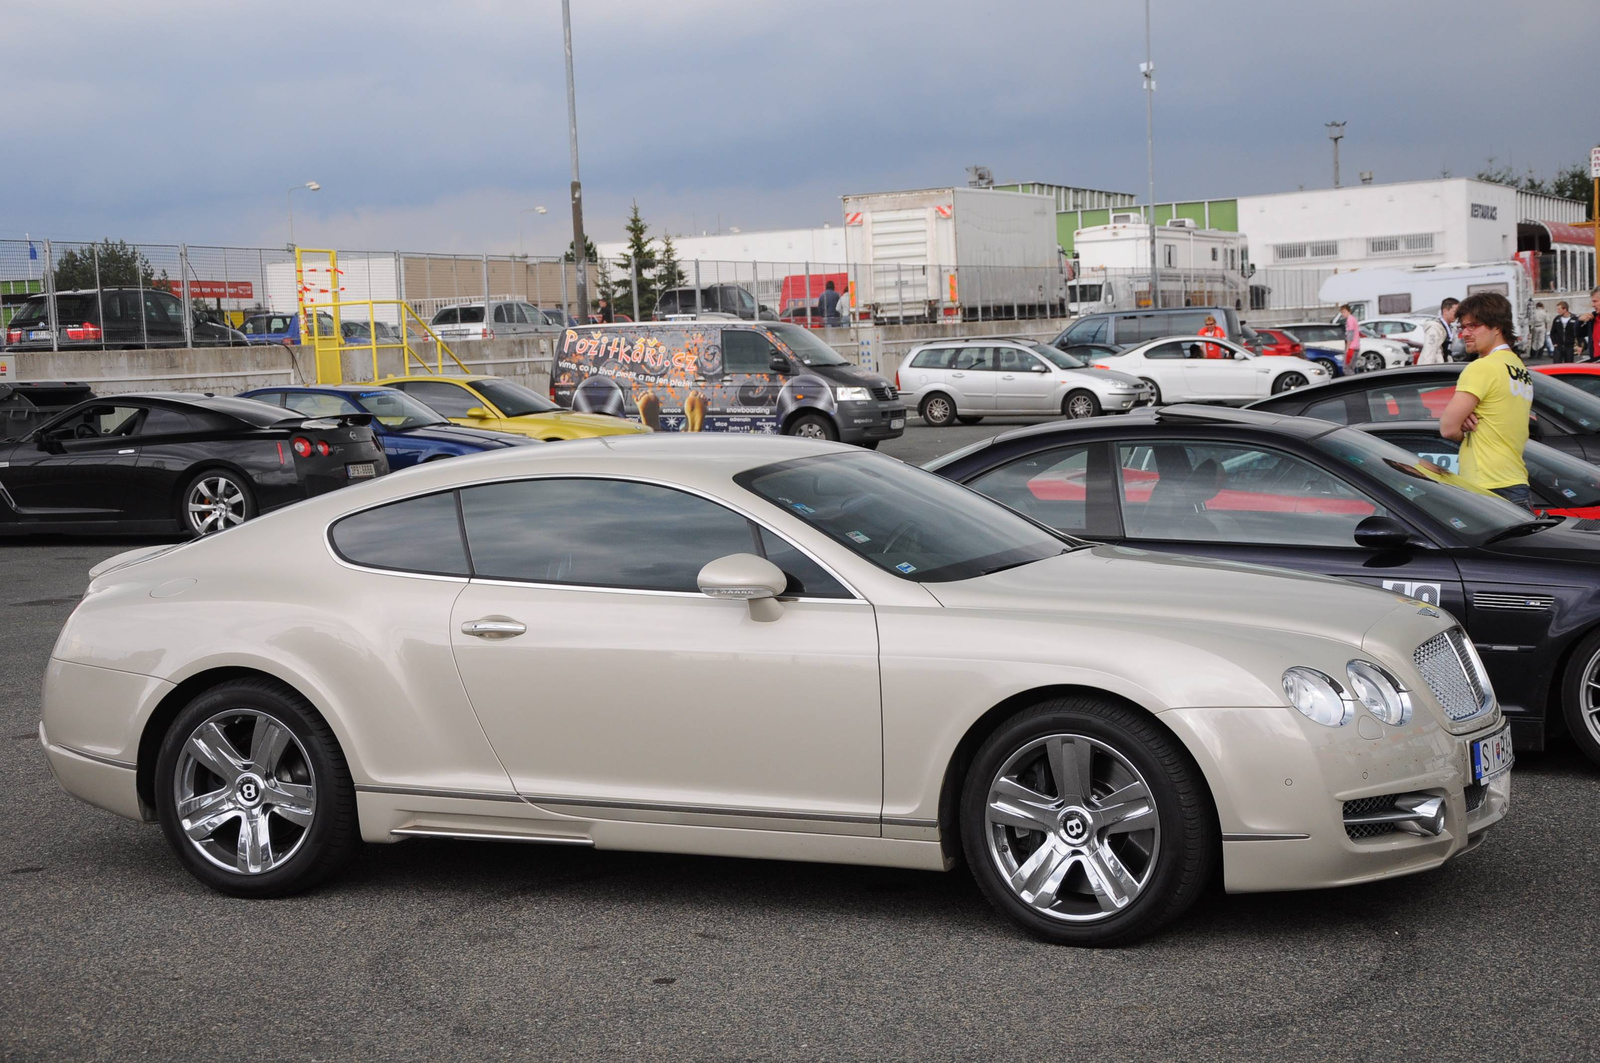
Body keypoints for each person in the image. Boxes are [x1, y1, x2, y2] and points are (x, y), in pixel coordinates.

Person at [1439, 291, 1534, 508]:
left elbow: (1447, 428)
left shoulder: (1482, 367)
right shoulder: (1518, 367)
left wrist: (1462, 425)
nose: (1466, 333)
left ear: (1497, 327)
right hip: (1516, 481)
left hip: (1487, 484)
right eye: (1463, 327)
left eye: (1474, 326)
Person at [1417, 297, 1458, 365]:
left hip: (1444, 364)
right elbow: (1429, 350)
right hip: (1435, 366)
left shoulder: (1450, 327)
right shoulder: (1434, 328)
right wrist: (1425, 370)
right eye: (1454, 311)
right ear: (1445, 311)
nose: (1456, 314)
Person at [1580, 287, 1600, 363]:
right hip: (1595, 365)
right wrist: (1580, 321)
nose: (1593, 305)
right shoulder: (1593, 319)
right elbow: (1578, 333)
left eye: (1595, 301)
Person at [1340, 304, 1361, 371]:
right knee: (1351, 367)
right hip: (1356, 346)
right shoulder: (1353, 318)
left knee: (1346, 368)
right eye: (1341, 312)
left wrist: (1347, 348)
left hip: (1351, 348)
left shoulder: (1350, 320)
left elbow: (1350, 334)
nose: (1342, 314)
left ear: (1349, 311)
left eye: (1344, 312)